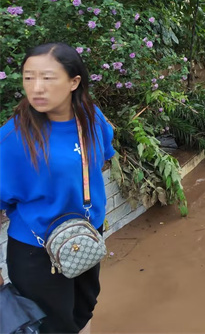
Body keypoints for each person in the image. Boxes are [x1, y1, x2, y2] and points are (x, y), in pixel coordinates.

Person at [0, 42, 115, 334]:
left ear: (74, 82)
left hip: (86, 237)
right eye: (28, 77)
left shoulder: (91, 118)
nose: (36, 88)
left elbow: (101, 158)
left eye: (47, 78)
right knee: (53, 325)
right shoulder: (13, 138)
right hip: (36, 252)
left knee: (84, 308)